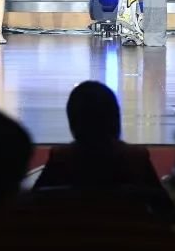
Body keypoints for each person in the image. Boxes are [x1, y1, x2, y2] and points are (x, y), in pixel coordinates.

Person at [33, 81, 164, 193]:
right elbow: (163, 207)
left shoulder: (61, 158)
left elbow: (35, 201)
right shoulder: (136, 158)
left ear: (74, 119)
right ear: (114, 117)